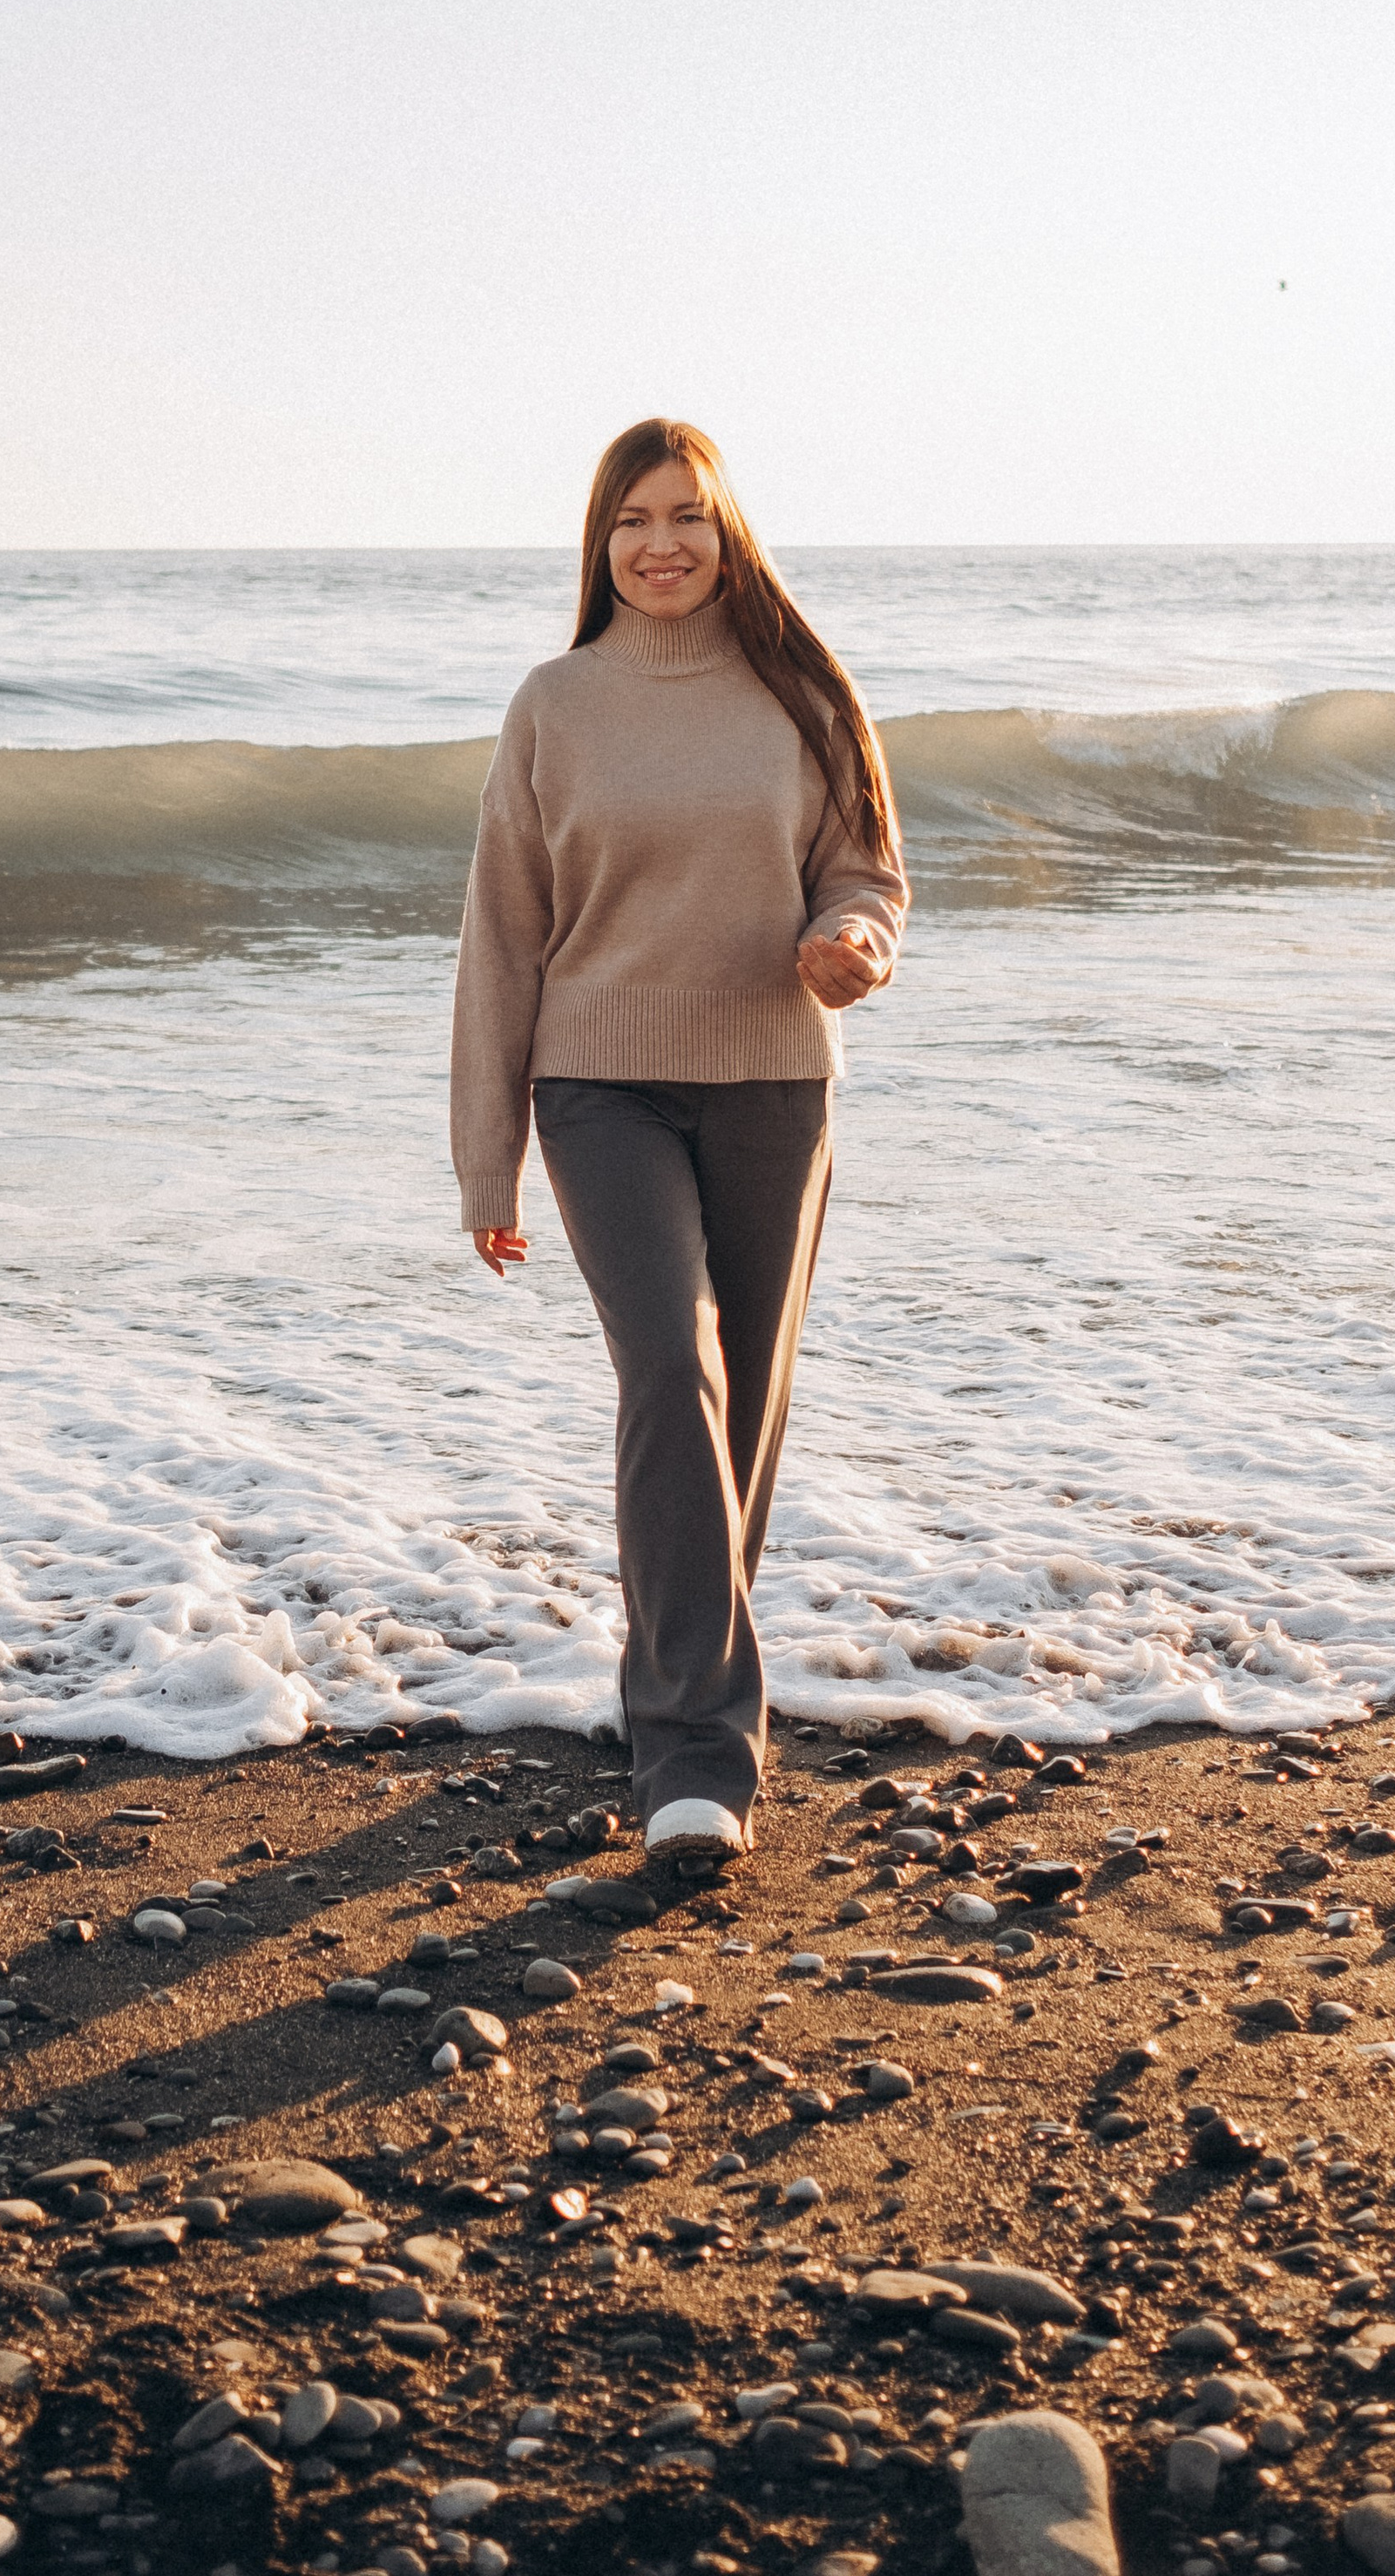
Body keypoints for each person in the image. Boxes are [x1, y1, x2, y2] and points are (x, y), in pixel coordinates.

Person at [450, 418, 907, 1870]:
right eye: (634, 518)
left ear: (729, 533)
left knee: (745, 1407)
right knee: (671, 1367)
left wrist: (851, 939)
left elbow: (862, 869)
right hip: (600, 1086)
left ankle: (674, 1684)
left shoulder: (800, 693)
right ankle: (696, 1755)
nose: (663, 543)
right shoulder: (554, 704)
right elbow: (503, 937)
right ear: (599, 541)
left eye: (689, 517)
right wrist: (489, 1155)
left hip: (776, 1078)